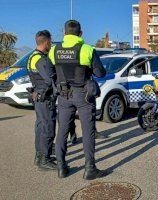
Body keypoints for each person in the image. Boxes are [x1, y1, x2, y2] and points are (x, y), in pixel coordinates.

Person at [48, 20, 107, 179]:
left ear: (64, 33)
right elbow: (100, 73)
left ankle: (61, 167)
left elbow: (50, 72)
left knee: (62, 131)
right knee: (88, 131)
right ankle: (89, 169)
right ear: (80, 34)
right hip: (84, 95)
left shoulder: (54, 50)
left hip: (64, 95)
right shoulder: (87, 49)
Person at [27, 30, 57, 170]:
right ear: (46, 42)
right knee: (48, 128)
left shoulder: (31, 56)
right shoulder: (42, 59)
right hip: (45, 98)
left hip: (38, 96)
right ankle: (45, 159)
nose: (50, 45)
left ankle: (39, 156)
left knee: (40, 126)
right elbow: (50, 80)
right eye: (50, 42)